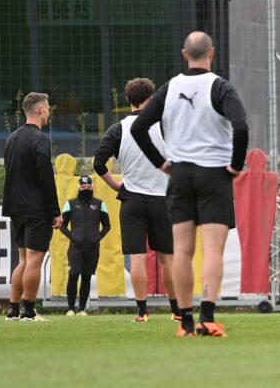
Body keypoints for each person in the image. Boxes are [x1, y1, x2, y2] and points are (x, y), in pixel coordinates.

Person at [130, 31, 249, 338]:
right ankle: (207, 317)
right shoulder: (220, 87)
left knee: (182, 251)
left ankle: (184, 321)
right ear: (212, 52)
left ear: (185, 54)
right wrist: (235, 164)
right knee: (212, 250)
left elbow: (140, 126)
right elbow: (241, 126)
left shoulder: (170, 88)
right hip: (214, 175)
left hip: (180, 175)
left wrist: (162, 163)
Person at [93, 77, 180, 323]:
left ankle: (142, 312)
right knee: (167, 259)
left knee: (138, 258)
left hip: (132, 200)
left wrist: (116, 184)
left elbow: (98, 163)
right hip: (161, 200)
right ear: (150, 98)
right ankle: (176, 311)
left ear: (128, 100)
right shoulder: (164, 125)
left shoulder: (118, 129)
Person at [1, 91, 62, 322]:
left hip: (15, 208)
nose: (49, 111)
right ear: (39, 110)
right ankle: (29, 311)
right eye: (47, 107)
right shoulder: (40, 139)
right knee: (34, 260)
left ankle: (13, 310)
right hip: (36, 209)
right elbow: (46, 177)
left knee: (24, 260)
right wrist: (55, 212)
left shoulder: (11, 138)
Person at [59, 175, 110, 315]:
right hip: (75, 248)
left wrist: (97, 238)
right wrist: (73, 237)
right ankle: (70, 308)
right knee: (73, 274)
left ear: (92, 187)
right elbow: (62, 226)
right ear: (78, 187)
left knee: (86, 276)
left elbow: (107, 226)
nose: (86, 189)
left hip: (92, 248)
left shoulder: (100, 204)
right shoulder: (70, 203)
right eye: (83, 187)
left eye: (88, 187)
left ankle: (82, 309)